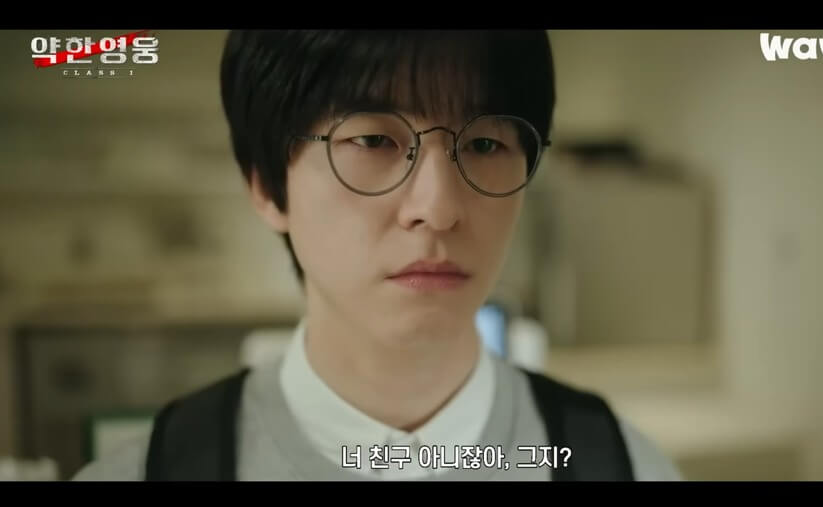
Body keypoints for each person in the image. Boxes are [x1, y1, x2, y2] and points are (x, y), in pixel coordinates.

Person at [73, 29, 682, 481]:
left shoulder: (618, 465)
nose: (437, 207)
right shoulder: (154, 471)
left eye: (485, 144)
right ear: (266, 185)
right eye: (372, 140)